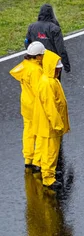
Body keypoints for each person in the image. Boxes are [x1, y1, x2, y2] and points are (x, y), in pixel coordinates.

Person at [32, 50, 70, 191]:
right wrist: (58, 125)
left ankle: (40, 165)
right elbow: (51, 108)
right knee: (51, 151)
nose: (59, 70)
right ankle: (48, 178)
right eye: (57, 68)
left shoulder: (47, 80)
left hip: (43, 123)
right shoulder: (49, 84)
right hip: (50, 125)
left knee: (43, 148)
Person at [9, 41, 45, 171]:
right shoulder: (36, 70)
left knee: (28, 131)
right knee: (41, 132)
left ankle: (28, 157)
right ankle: (38, 160)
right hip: (36, 105)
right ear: (38, 56)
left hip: (26, 104)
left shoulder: (25, 66)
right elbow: (39, 90)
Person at [25, 4, 70, 77]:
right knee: (53, 85)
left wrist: (31, 56)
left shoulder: (32, 27)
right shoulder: (55, 28)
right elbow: (61, 49)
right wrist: (66, 65)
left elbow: (27, 42)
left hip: (37, 62)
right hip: (52, 63)